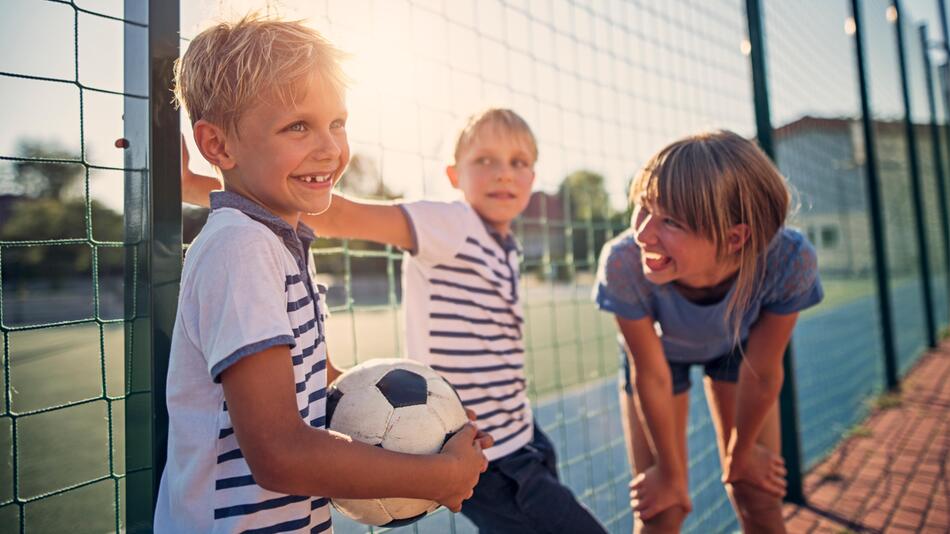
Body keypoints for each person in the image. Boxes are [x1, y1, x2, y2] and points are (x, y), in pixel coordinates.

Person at [183, 107, 607, 533]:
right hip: (489, 458)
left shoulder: (506, 245)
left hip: (522, 433)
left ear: (533, 177)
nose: (503, 174)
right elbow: (338, 214)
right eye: (485, 161)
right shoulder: (450, 223)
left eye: (518, 163)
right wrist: (193, 185)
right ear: (454, 175)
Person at [157, 15, 490, 533]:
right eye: (298, 126)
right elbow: (279, 451)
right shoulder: (240, 248)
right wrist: (433, 476)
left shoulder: (280, 243)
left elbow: (320, 387)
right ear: (219, 146)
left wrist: (434, 433)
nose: (330, 148)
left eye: (337, 122)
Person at [593, 130, 823, 533]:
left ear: (735, 238)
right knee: (660, 511)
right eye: (644, 208)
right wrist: (667, 470)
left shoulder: (789, 260)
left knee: (758, 496)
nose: (644, 233)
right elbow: (650, 373)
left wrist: (742, 453)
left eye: (671, 221)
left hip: (738, 351)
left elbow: (763, 371)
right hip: (658, 361)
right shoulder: (624, 262)